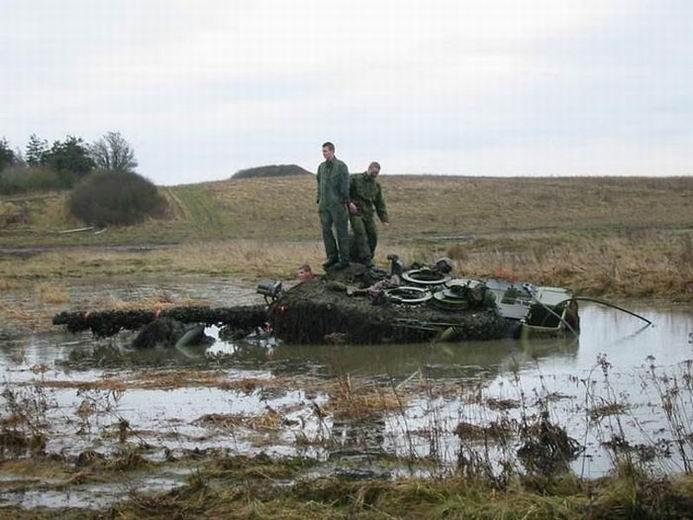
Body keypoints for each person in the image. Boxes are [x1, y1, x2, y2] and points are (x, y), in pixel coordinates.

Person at [316, 142, 350, 271]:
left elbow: (345, 185)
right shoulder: (321, 167)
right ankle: (332, 257)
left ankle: (344, 259)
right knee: (326, 231)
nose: (324, 153)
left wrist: (345, 200)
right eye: (323, 151)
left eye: (326, 151)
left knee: (341, 232)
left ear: (332, 151)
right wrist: (319, 199)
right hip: (325, 205)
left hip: (337, 204)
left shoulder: (341, 166)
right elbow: (319, 183)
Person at [348, 161, 389, 266]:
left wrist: (384, 219)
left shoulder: (376, 186)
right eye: (373, 172)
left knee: (373, 236)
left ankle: (368, 257)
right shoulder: (355, 179)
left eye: (377, 173)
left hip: (368, 214)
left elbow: (380, 203)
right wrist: (349, 203)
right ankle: (365, 259)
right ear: (369, 168)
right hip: (355, 212)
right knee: (360, 234)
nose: (375, 175)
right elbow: (344, 192)